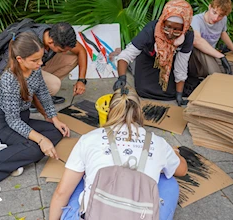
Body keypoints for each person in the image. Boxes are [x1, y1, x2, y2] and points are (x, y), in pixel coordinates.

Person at [49, 87, 188, 220]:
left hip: (94, 214)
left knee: (80, 174)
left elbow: (61, 193)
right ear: (140, 111)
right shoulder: (158, 143)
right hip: (139, 214)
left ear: (109, 111)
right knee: (169, 182)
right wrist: (174, 153)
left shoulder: (89, 138)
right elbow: (182, 170)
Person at [0, 32, 70, 182]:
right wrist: (41, 140)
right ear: (20, 59)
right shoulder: (9, 79)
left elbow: (43, 93)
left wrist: (55, 119)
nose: (40, 64)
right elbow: (12, 120)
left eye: (41, 58)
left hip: (22, 118)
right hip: (2, 123)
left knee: (56, 132)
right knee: (35, 146)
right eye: (35, 60)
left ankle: (16, 153)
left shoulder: (35, 70)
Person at [113, 0, 194, 106]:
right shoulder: (150, 29)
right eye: (168, 26)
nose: (170, 33)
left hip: (170, 63)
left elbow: (181, 65)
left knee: (171, 92)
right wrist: (121, 77)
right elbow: (126, 54)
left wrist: (179, 95)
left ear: (185, 28)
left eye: (176, 29)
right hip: (148, 58)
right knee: (143, 90)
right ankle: (133, 68)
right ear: (163, 21)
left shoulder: (188, 35)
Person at [0, 22, 88, 107]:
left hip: (35, 67)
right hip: (15, 72)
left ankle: (41, 92)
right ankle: (30, 99)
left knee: (73, 58)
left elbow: (81, 50)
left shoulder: (57, 34)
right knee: (54, 85)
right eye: (61, 50)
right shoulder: (29, 42)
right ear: (51, 42)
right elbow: (11, 70)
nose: (65, 52)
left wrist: (81, 80)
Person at [189, 0, 233, 79]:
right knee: (216, 73)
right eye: (214, 12)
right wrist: (221, 56)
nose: (216, 18)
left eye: (221, 15)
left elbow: (222, 33)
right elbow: (197, 40)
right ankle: (216, 78)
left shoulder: (223, 20)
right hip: (197, 59)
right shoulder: (196, 20)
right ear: (209, 7)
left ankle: (220, 78)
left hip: (213, 56)